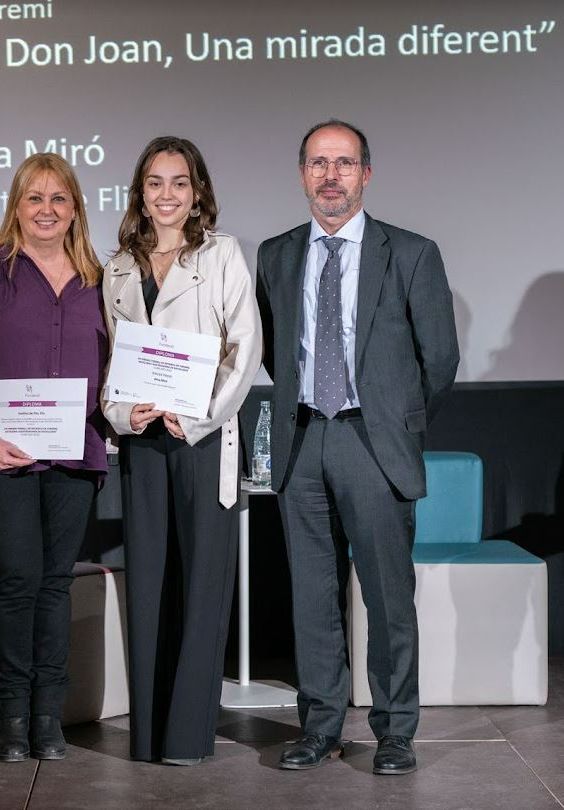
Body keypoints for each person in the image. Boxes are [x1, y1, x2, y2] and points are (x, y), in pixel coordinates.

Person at [256, 119, 459, 775]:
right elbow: (271, 351)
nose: (331, 176)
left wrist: (392, 423)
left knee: (387, 598)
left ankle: (396, 731)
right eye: (318, 162)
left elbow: (440, 360)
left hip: (373, 444)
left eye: (343, 163)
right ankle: (319, 728)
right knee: (312, 599)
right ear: (302, 173)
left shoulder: (413, 252)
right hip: (302, 441)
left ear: (366, 173)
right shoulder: (276, 254)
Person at [0, 153, 108, 762]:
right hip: (2, 454)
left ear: (75, 210)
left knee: (55, 586)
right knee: (15, 582)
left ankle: (48, 717)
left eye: (58, 199)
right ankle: (12, 717)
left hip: (75, 452)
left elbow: (116, 366)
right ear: (15, 206)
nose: (46, 209)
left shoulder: (100, 278)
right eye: (34, 198)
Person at [101, 136, 262, 764]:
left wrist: (195, 414)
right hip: (143, 440)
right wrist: (123, 412)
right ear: (140, 192)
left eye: (179, 182)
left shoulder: (221, 254)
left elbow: (244, 350)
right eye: (154, 183)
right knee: (147, 586)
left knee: (200, 589)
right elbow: (111, 358)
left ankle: (188, 738)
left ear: (198, 193)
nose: (166, 195)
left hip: (200, 437)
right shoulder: (117, 266)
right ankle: (146, 738)